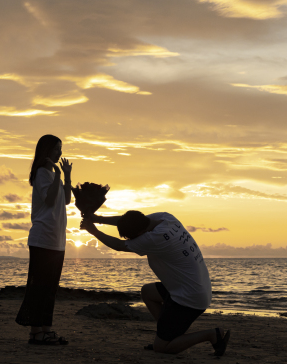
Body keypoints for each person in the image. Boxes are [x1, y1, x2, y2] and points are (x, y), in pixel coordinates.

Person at [80, 210, 230, 356]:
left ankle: (212, 335)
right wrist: (97, 218)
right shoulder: (165, 218)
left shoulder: (154, 238)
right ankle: (166, 334)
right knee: (148, 292)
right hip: (190, 287)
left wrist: (93, 230)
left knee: (162, 347)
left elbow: (119, 245)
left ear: (139, 234)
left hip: (189, 298)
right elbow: (127, 221)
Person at [15, 134, 73, 345]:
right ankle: (36, 332)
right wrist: (57, 174)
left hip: (57, 240)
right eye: (57, 148)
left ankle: (45, 331)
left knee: (50, 289)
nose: (60, 153)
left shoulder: (51, 174)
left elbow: (66, 200)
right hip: (43, 238)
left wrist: (66, 176)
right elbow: (49, 200)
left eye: (61, 148)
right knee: (39, 287)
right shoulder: (42, 173)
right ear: (47, 150)